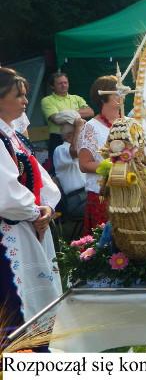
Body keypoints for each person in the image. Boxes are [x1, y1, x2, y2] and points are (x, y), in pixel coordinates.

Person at [0, 67, 62, 348]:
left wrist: (46, 206)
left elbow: (41, 177)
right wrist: (36, 212)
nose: (26, 101)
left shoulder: (14, 136)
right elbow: (6, 194)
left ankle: (37, 353)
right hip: (10, 233)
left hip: (30, 227)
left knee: (38, 298)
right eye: (18, 95)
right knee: (15, 303)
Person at [78, 75, 119, 235]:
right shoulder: (91, 127)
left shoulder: (129, 123)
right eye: (116, 91)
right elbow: (84, 164)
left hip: (128, 193)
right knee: (105, 244)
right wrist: (112, 167)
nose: (121, 94)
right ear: (103, 97)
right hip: (102, 195)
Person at [41, 72, 94, 174]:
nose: (64, 85)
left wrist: (67, 113)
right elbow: (56, 119)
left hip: (79, 136)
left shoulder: (76, 98)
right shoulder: (47, 100)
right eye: (60, 83)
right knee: (56, 171)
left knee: (81, 166)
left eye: (65, 82)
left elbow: (90, 112)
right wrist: (78, 116)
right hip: (58, 139)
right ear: (52, 86)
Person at [53, 118, 87, 218]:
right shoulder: (60, 149)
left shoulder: (84, 149)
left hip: (86, 195)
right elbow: (76, 151)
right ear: (70, 135)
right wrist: (79, 126)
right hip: (77, 200)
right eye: (81, 132)